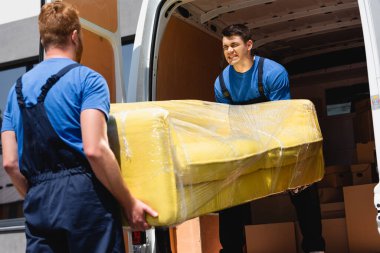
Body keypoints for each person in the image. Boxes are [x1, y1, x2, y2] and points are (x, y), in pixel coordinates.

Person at [1, 1, 157, 252]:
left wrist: (36, 194)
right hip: (85, 200)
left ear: (43, 40)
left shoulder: (14, 91)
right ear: (75, 36)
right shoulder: (88, 80)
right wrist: (129, 203)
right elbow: (94, 148)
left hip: (38, 202)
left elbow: (9, 162)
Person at [214, 24, 325, 253]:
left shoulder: (273, 73)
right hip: (245, 146)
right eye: (225, 47)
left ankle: (315, 247)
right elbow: (229, 125)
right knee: (228, 196)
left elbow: (280, 120)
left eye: (234, 45)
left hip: (278, 141)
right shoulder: (221, 83)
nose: (229, 51)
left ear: (249, 45)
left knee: (304, 187)